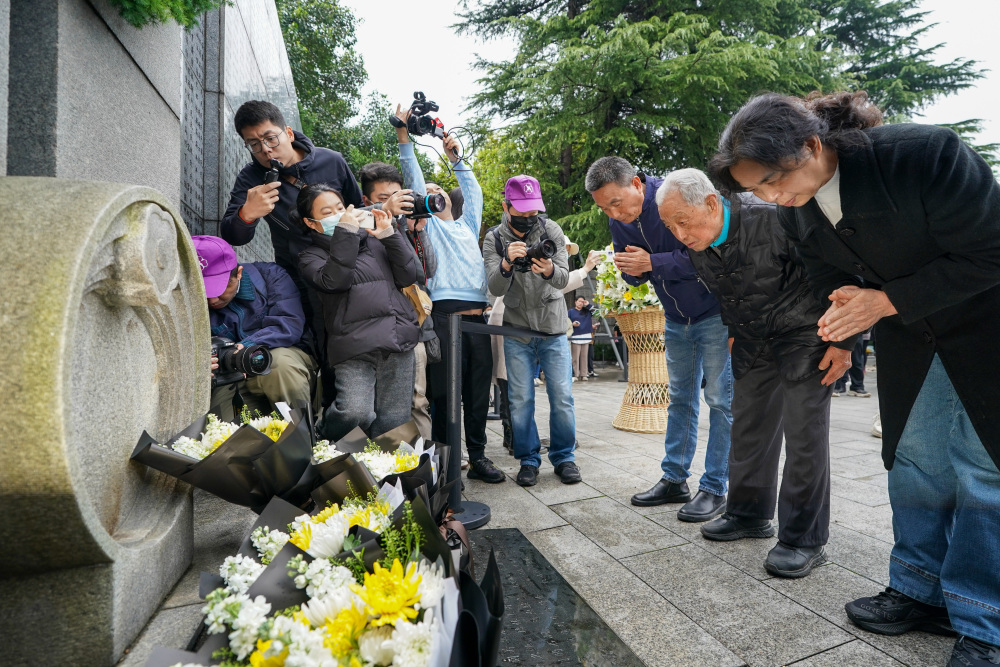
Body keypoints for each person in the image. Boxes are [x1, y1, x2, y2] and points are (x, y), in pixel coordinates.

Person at [711, 90, 1000, 665]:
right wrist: (840, 335)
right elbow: (827, 273)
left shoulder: (923, 154)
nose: (771, 198)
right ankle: (919, 588)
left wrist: (886, 300)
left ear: (812, 145)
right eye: (756, 191)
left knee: (982, 471)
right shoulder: (799, 206)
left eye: (773, 179)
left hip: (984, 331)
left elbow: (993, 250)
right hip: (910, 339)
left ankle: (983, 618)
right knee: (915, 460)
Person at [656, 168, 854, 577]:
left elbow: (838, 273)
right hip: (751, 337)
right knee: (748, 425)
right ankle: (748, 514)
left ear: (711, 204)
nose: (679, 233)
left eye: (683, 221)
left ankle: (804, 538)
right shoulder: (698, 236)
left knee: (804, 434)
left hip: (808, 331)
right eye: (669, 225)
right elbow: (726, 288)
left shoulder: (774, 215)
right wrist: (733, 330)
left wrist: (844, 342)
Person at [586, 156, 733, 522]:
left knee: (719, 399)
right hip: (675, 317)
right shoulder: (617, 219)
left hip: (715, 313)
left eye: (616, 203)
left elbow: (708, 252)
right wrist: (634, 270)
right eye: (604, 207)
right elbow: (636, 274)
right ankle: (675, 478)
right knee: (679, 398)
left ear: (637, 183)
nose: (613, 214)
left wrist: (653, 262)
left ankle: (715, 486)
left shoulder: (675, 196)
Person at [395, 104, 504, 484]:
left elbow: (471, 189)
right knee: (443, 395)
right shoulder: (429, 231)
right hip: (443, 318)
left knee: (477, 396)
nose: (434, 193)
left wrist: (452, 151)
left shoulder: (467, 224)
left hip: (479, 320)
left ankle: (478, 457)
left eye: (439, 189)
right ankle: (443, 462)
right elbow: (413, 177)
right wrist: (404, 138)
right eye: (428, 192)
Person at [294, 184, 419, 441]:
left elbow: (410, 275)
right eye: (327, 211)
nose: (339, 214)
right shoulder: (310, 256)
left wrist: (390, 235)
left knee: (393, 425)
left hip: (397, 338)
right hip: (353, 347)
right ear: (312, 222)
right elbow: (335, 281)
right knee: (354, 413)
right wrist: (346, 233)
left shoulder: (375, 239)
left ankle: (379, 476)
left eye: (340, 208)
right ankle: (322, 434)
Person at [483, 175, 581, 486]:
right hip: (517, 332)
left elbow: (564, 279)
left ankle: (564, 457)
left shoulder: (550, 230)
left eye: (532, 212)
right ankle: (528, 459)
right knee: (521, 399)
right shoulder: (494, 238)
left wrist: (550, 270)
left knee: (562, 396)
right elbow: (493, 285)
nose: (528, 218)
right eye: (521, 212)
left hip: (552, 329)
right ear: (506, 206)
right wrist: (506, 264)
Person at [192, 235, 318, 421]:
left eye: (221, 288)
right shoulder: (187, 301)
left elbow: (288, 324)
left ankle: (303, 436)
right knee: (219, 428)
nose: (213, 300)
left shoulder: (271, 276)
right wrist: (199, 362)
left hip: (281, 358)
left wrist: (246, 346)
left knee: (281, 365)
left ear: (239, 273)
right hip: (229, 376)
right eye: (206, 289)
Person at [490, 245, 602, 453]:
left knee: (529, 392)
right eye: (565, 250)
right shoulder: (532, 263)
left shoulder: (547, 265)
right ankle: (515, 439)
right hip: (513, 323)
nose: (565, 254)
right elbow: (555, 286)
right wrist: (585, 269)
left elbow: (557, 284)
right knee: (515, 391)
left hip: (533, 327)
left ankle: (521, 440)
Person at [358, 161, 439, 440]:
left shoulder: (405, 225)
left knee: (417, 401)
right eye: (384, 198)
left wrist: (417, 230)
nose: (394, 203)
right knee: (371, 407)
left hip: (410, 327)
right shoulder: (356, 223)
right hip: (369, 331)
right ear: (366, 200)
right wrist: (383, 213)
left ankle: (422, 474)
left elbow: (425, 271)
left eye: (398, 196)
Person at [568, 297, 595, 381]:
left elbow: (597, 312)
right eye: (579, 301)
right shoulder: (571, 311)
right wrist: (572, 324)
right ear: (575, 302)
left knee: (584, 356)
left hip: (586, 335)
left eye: (582, 302)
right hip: (576, 335)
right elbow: (567, 322)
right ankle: (575, 374)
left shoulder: (587, 311)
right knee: (575, 357)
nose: (580, 303)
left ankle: (584, 374)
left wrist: (588, 305)